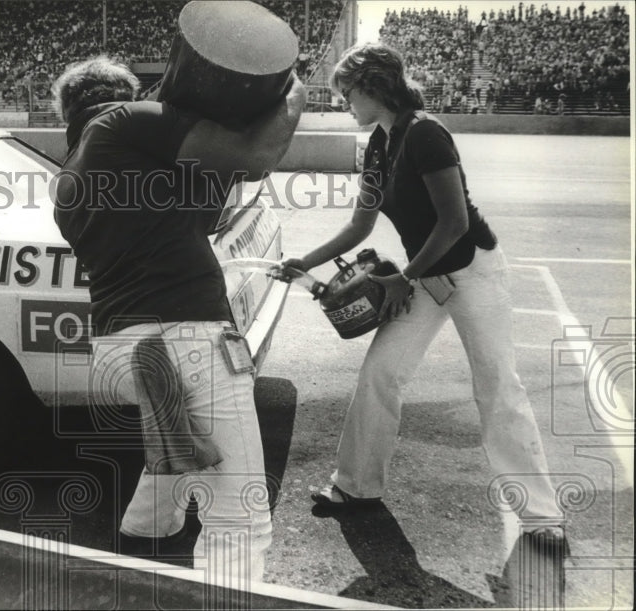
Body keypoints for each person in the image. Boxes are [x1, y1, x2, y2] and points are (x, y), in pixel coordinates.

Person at [276, 43, 564, 544]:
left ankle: (541, 516)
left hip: (472, 272)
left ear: (372, 87)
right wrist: (307, 262)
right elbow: (359, 225)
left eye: (348, 94)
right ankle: (356, 487)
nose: (346, 104)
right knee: (381, 372)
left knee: (497, 386)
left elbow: (453, 223)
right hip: (423, 276)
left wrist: (404, 276)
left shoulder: (426, 134)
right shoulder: (377, 145)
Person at [52, 56, 305, 588]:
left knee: (176, 436)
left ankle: (144, 533)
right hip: (181, 339)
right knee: (239, 518)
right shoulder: (126, 120)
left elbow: (203, 215)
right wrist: (289, 91)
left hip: (123, 348)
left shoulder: (71, 175)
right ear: (126, 94)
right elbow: (256, 157)